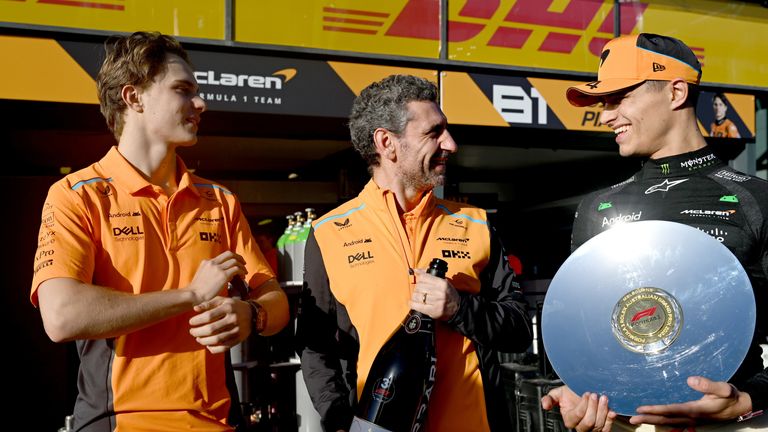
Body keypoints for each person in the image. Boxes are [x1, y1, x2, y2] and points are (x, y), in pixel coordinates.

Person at [30, 31, 289, 431]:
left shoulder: (219, 200)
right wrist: (189, 296)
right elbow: (62, 316)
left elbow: (275, 300)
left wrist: (251, 314)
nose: (200, 103)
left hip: (218, 422)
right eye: (183, 90)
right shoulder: (77, 195)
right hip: (118, 423)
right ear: (133, 98)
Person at [541, 33, 768, 431]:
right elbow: (589, 335)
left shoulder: (756, 199)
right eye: (602, 102)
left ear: (676, 91)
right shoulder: (597, 209)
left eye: (619, 97)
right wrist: (578, 391)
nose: (606, 115)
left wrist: (749, 399)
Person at [295, 74, 533, 432]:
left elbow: (518, 329)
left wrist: (459, 309)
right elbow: (316, 346)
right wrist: (340, 420)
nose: (450, 144)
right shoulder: (329, 232)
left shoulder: (476, 224)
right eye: (433, 133)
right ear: (387, 143)